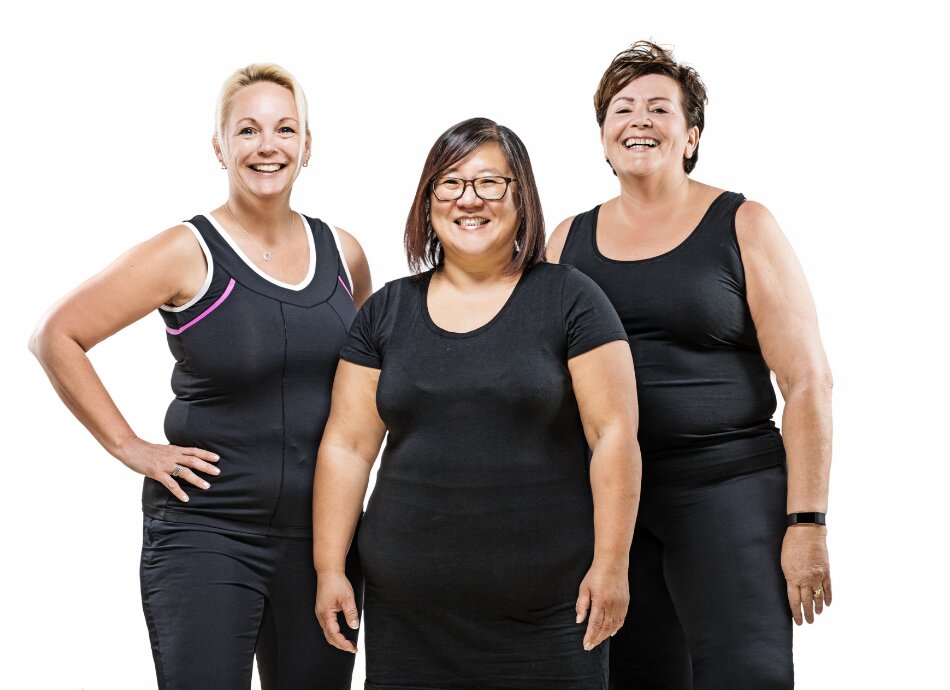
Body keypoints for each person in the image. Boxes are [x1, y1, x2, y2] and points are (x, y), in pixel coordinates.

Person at [29, 63, 371, 689]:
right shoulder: (186, 252)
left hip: (322, 542)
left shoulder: (344, 254)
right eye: (247, 130)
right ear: (220, 146)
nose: (267, 145)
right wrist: (130, 446)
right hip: (208, 533)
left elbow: (362, 388)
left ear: (307, 144)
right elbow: (57, 335)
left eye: (285, 129)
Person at [312, 117, 640, 689]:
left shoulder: (571, 299)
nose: (469, 200)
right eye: (451, 183)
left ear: (521, 197)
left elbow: (614, 435)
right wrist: (328, 568)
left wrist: (612, 565)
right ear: (428, 200)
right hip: (408, 615)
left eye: (490, 182)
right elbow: (347, 447)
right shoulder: (386, 311)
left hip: (551, 611)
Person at [547, 41, 833, 688]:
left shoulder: (744, 224)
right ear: (603, 138)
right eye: (622, 109)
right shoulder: (566, 241)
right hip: (611, 505)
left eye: (659, 108)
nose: (639, 120)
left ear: (691, 136)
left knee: (747, 675)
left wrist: (807, 523)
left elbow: (808, 382)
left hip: (729, 488)